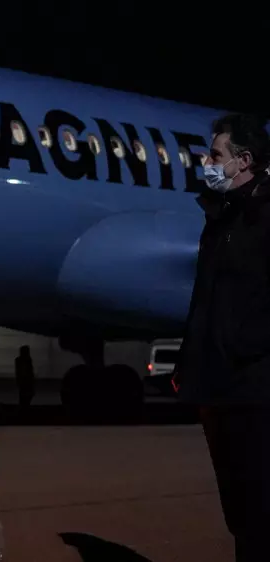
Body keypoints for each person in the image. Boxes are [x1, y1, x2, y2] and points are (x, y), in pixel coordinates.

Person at [176, 113, 270, 562]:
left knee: (261, 506)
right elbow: (205, 299)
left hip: (257, 386)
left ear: (243, 160)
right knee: (238, 510)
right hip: (219, 388)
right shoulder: (221, 218)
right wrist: (189, 362)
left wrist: (245, 344)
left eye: (216, 155)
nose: (207, 162)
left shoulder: (265, 217)